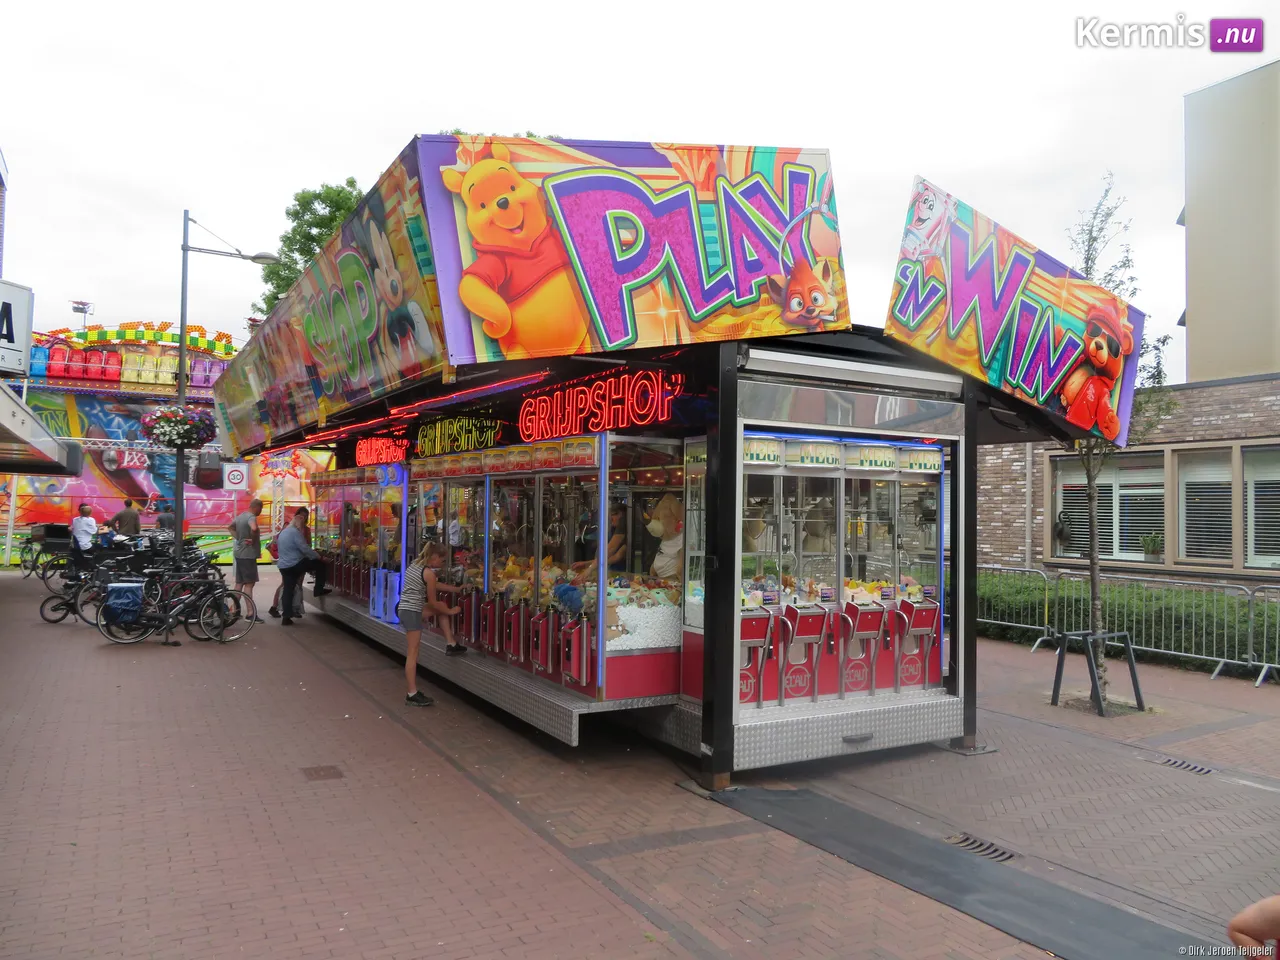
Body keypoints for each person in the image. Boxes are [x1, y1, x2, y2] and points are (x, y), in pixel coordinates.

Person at [397, 542, 463, 707]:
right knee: (413, 653)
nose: (442, 564)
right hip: (412, 612)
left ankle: (451, 643)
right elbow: (433, 602)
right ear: (434, 557)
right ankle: (411, 693)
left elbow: (434, 585)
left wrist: (455, 590)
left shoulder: (415, 565)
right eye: (442, 560)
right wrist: (451, 611)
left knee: (440, 608)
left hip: (406, 609)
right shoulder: (428, 574)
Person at [276, 507, 330, 626]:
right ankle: (318, 589)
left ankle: (286, 617)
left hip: (283, 566)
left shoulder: (284, 532)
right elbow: (305, 549)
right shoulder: (295, 533)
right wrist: (320, 557)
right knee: (320, 565)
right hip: (295, 564)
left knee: (288, 590)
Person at [270, 507, 315, 618]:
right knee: (285, 584)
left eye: (305, 516)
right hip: (289, 560)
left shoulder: (306, 530)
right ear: (297, 515)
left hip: (301, 560)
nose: (303, 518)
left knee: (298, 584)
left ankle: (295, 608)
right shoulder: (289, 526)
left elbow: (308, 545)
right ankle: (275, 606)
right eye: (301, 515)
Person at [228, 499, 265, 622]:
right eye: (261, 509)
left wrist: (239, 538)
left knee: (239, 583)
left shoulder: (240, 516)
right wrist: (253, 540)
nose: (260, 512)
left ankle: (234, 610)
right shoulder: (251, 517)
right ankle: (250, 613)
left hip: (239, 553)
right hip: (248, 555)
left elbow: (230, 527)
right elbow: (254, 528)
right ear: (257, 507)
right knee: (249, 584)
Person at [572, 503, 627, 572]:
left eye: (612, 517)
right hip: (609, 570)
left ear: (620, 514)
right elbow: (613, 556)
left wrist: (588, 570)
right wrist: (586, 564)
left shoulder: (624, 527)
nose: (611, 521)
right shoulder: (614, 529)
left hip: (620, 571)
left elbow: (615, 555)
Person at [70, 504, 98, 571]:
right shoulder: (90, 520)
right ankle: (93, 567)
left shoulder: (75, 519)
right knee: (100, 548)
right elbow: (94, 531)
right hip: (84, 545)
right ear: (90, 513)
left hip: (75, 544)